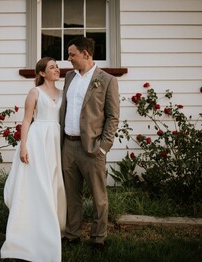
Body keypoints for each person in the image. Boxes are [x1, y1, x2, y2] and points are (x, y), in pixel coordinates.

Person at [1, 57, 66, 262]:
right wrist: (23, 146)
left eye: (57, 66)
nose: (57, 69)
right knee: (38, 184)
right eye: (52, 67)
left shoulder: (63, 93)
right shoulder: (34, 93)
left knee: (54, 182)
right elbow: (27, 120)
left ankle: (53, 228)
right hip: (38, 141)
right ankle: (29, 235)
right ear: (41, 73)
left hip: (56, 141)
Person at [60, 36, 120, 250]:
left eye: (72, 54)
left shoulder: (107, 80)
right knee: (71, 195)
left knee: (98, 197)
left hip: (93, 148)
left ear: (86, 53)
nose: (69, 59)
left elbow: (113, 117)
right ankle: (73, 234)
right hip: (68, 145)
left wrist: (103, 147)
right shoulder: (69, 77)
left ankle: (98, 238)